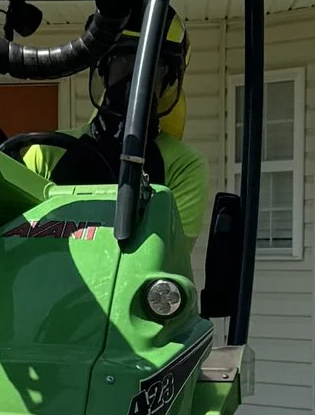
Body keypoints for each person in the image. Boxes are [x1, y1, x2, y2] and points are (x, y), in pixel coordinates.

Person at [16, 13, 209, 245]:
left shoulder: (185, 166)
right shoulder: (46, 151)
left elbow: (167, 252)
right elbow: (14, 238)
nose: (134, 81)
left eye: (151, 69)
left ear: (167, 82)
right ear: (104, 70)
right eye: (124, 62)